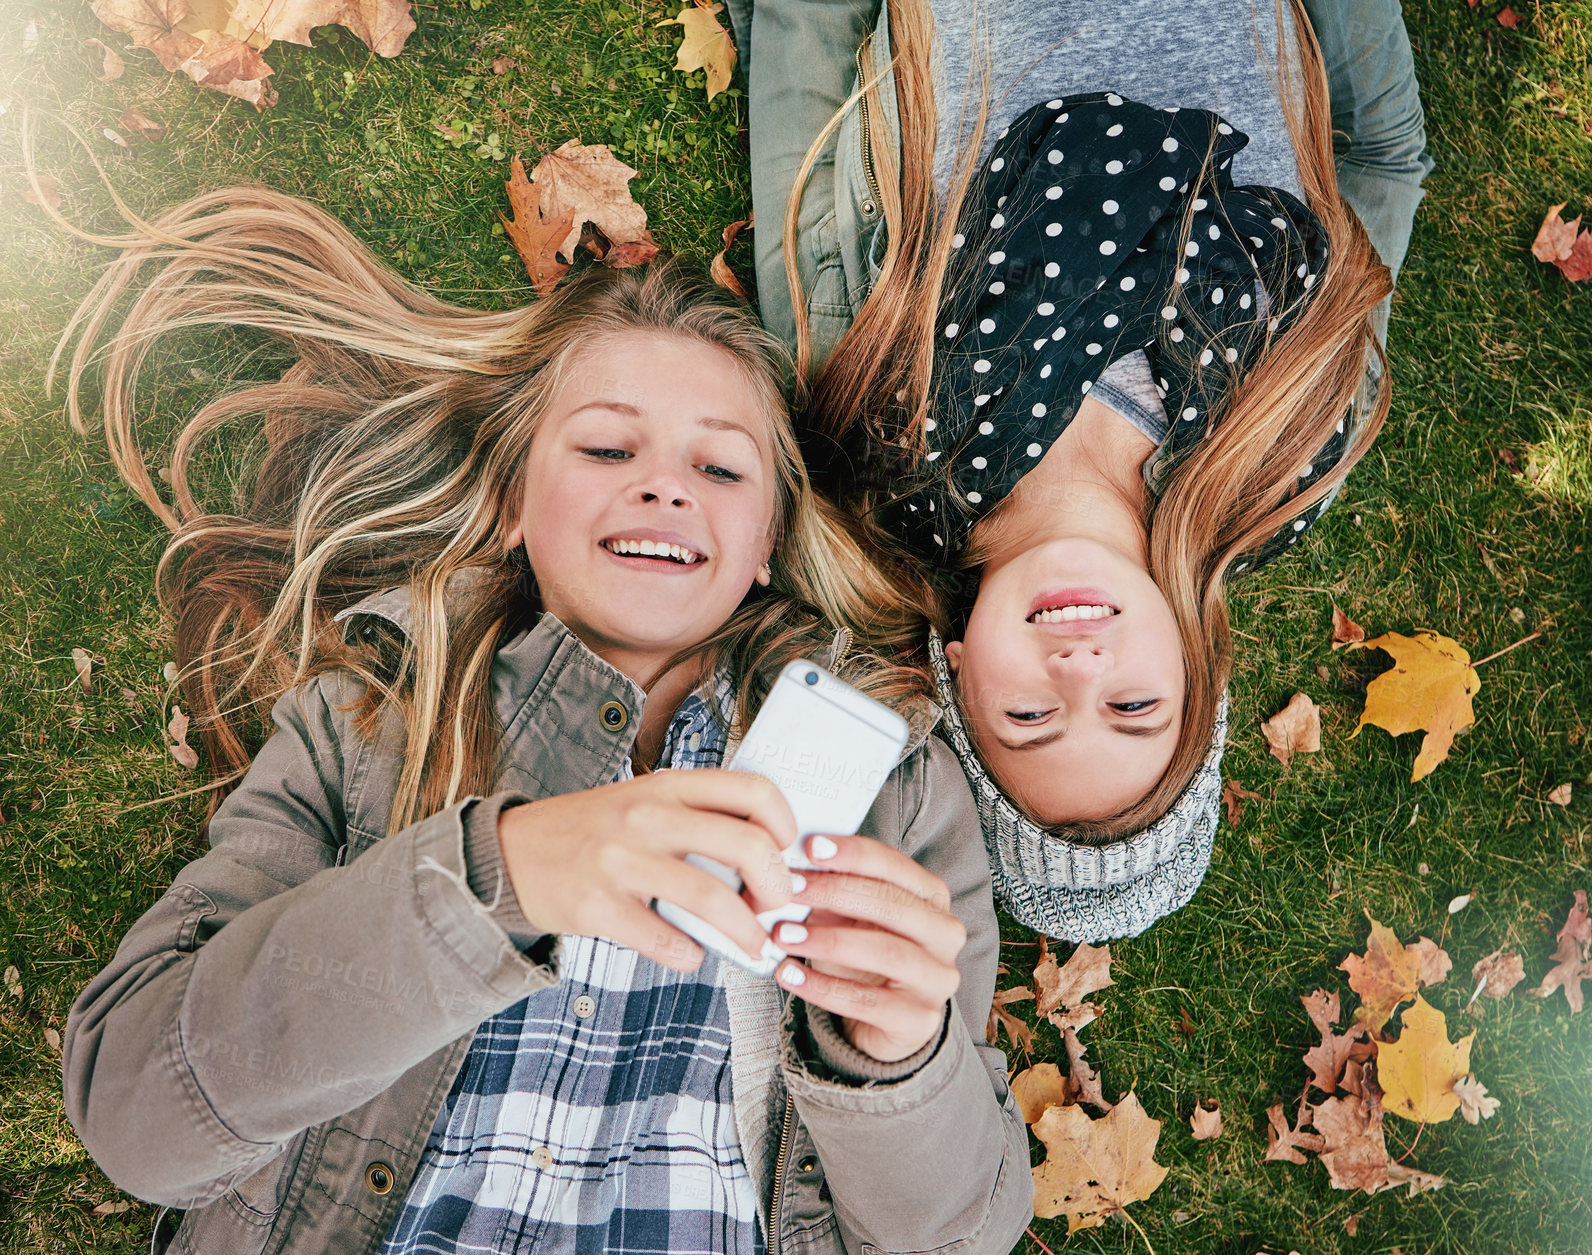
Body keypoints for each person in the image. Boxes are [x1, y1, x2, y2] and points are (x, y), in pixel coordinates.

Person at [56, 190, 1032, 1255]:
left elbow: (957, 1237)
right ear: (515, 505)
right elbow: (138, 1115)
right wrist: (495, 878)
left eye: (717, 466)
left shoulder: (894, 785)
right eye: (609, 450)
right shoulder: (371, 715)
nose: (665, 486)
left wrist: (893, 1062)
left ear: (765, 543)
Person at [728, 0, 1432, 941]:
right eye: (1132, 706)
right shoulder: (1285, 457)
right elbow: (1383, 160)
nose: (1078, 669)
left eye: (1029, 716)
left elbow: (801, 48)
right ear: (1196, 670)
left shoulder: (869, 425)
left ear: (957, 672)